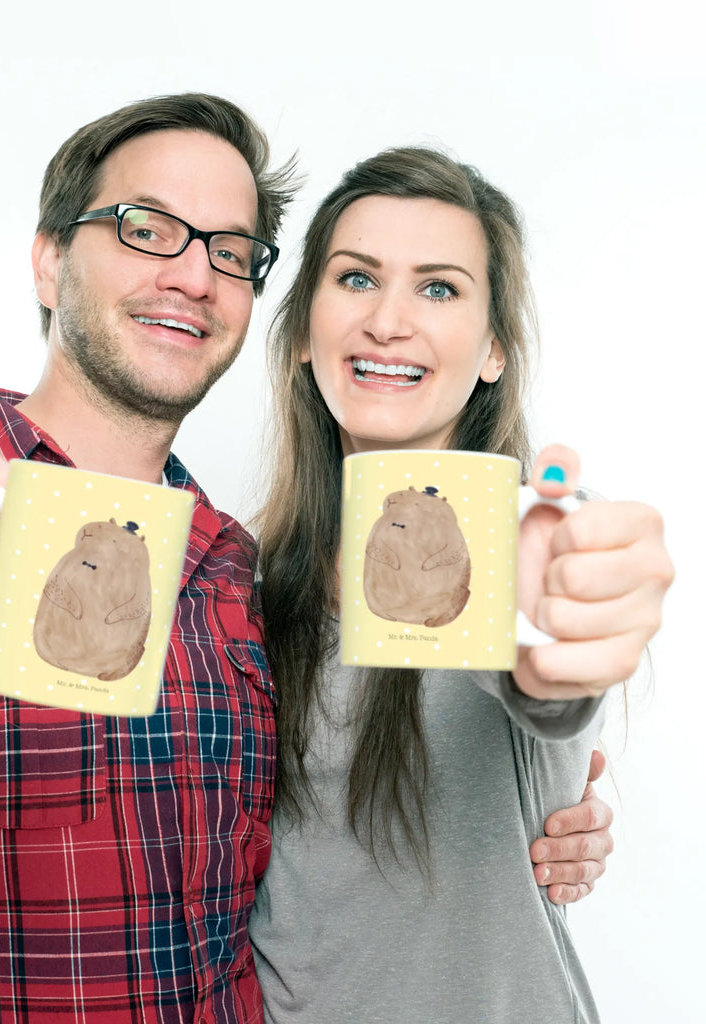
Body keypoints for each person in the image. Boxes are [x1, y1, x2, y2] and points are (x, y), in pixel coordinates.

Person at [0, 94, 621, 1024]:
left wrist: (545, 801)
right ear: (50, 260)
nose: (191, 274)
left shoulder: (236, 575)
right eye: (147, 229)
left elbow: (354, 835)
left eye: (227, 251)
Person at [248, 147, 674, 1023]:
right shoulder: (244, 583)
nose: (389, 322)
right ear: (300, 331)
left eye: (438, 288)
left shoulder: (528, 544)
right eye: (357, 279)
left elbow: (549, 683)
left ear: (492, 352)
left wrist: (568, 643)